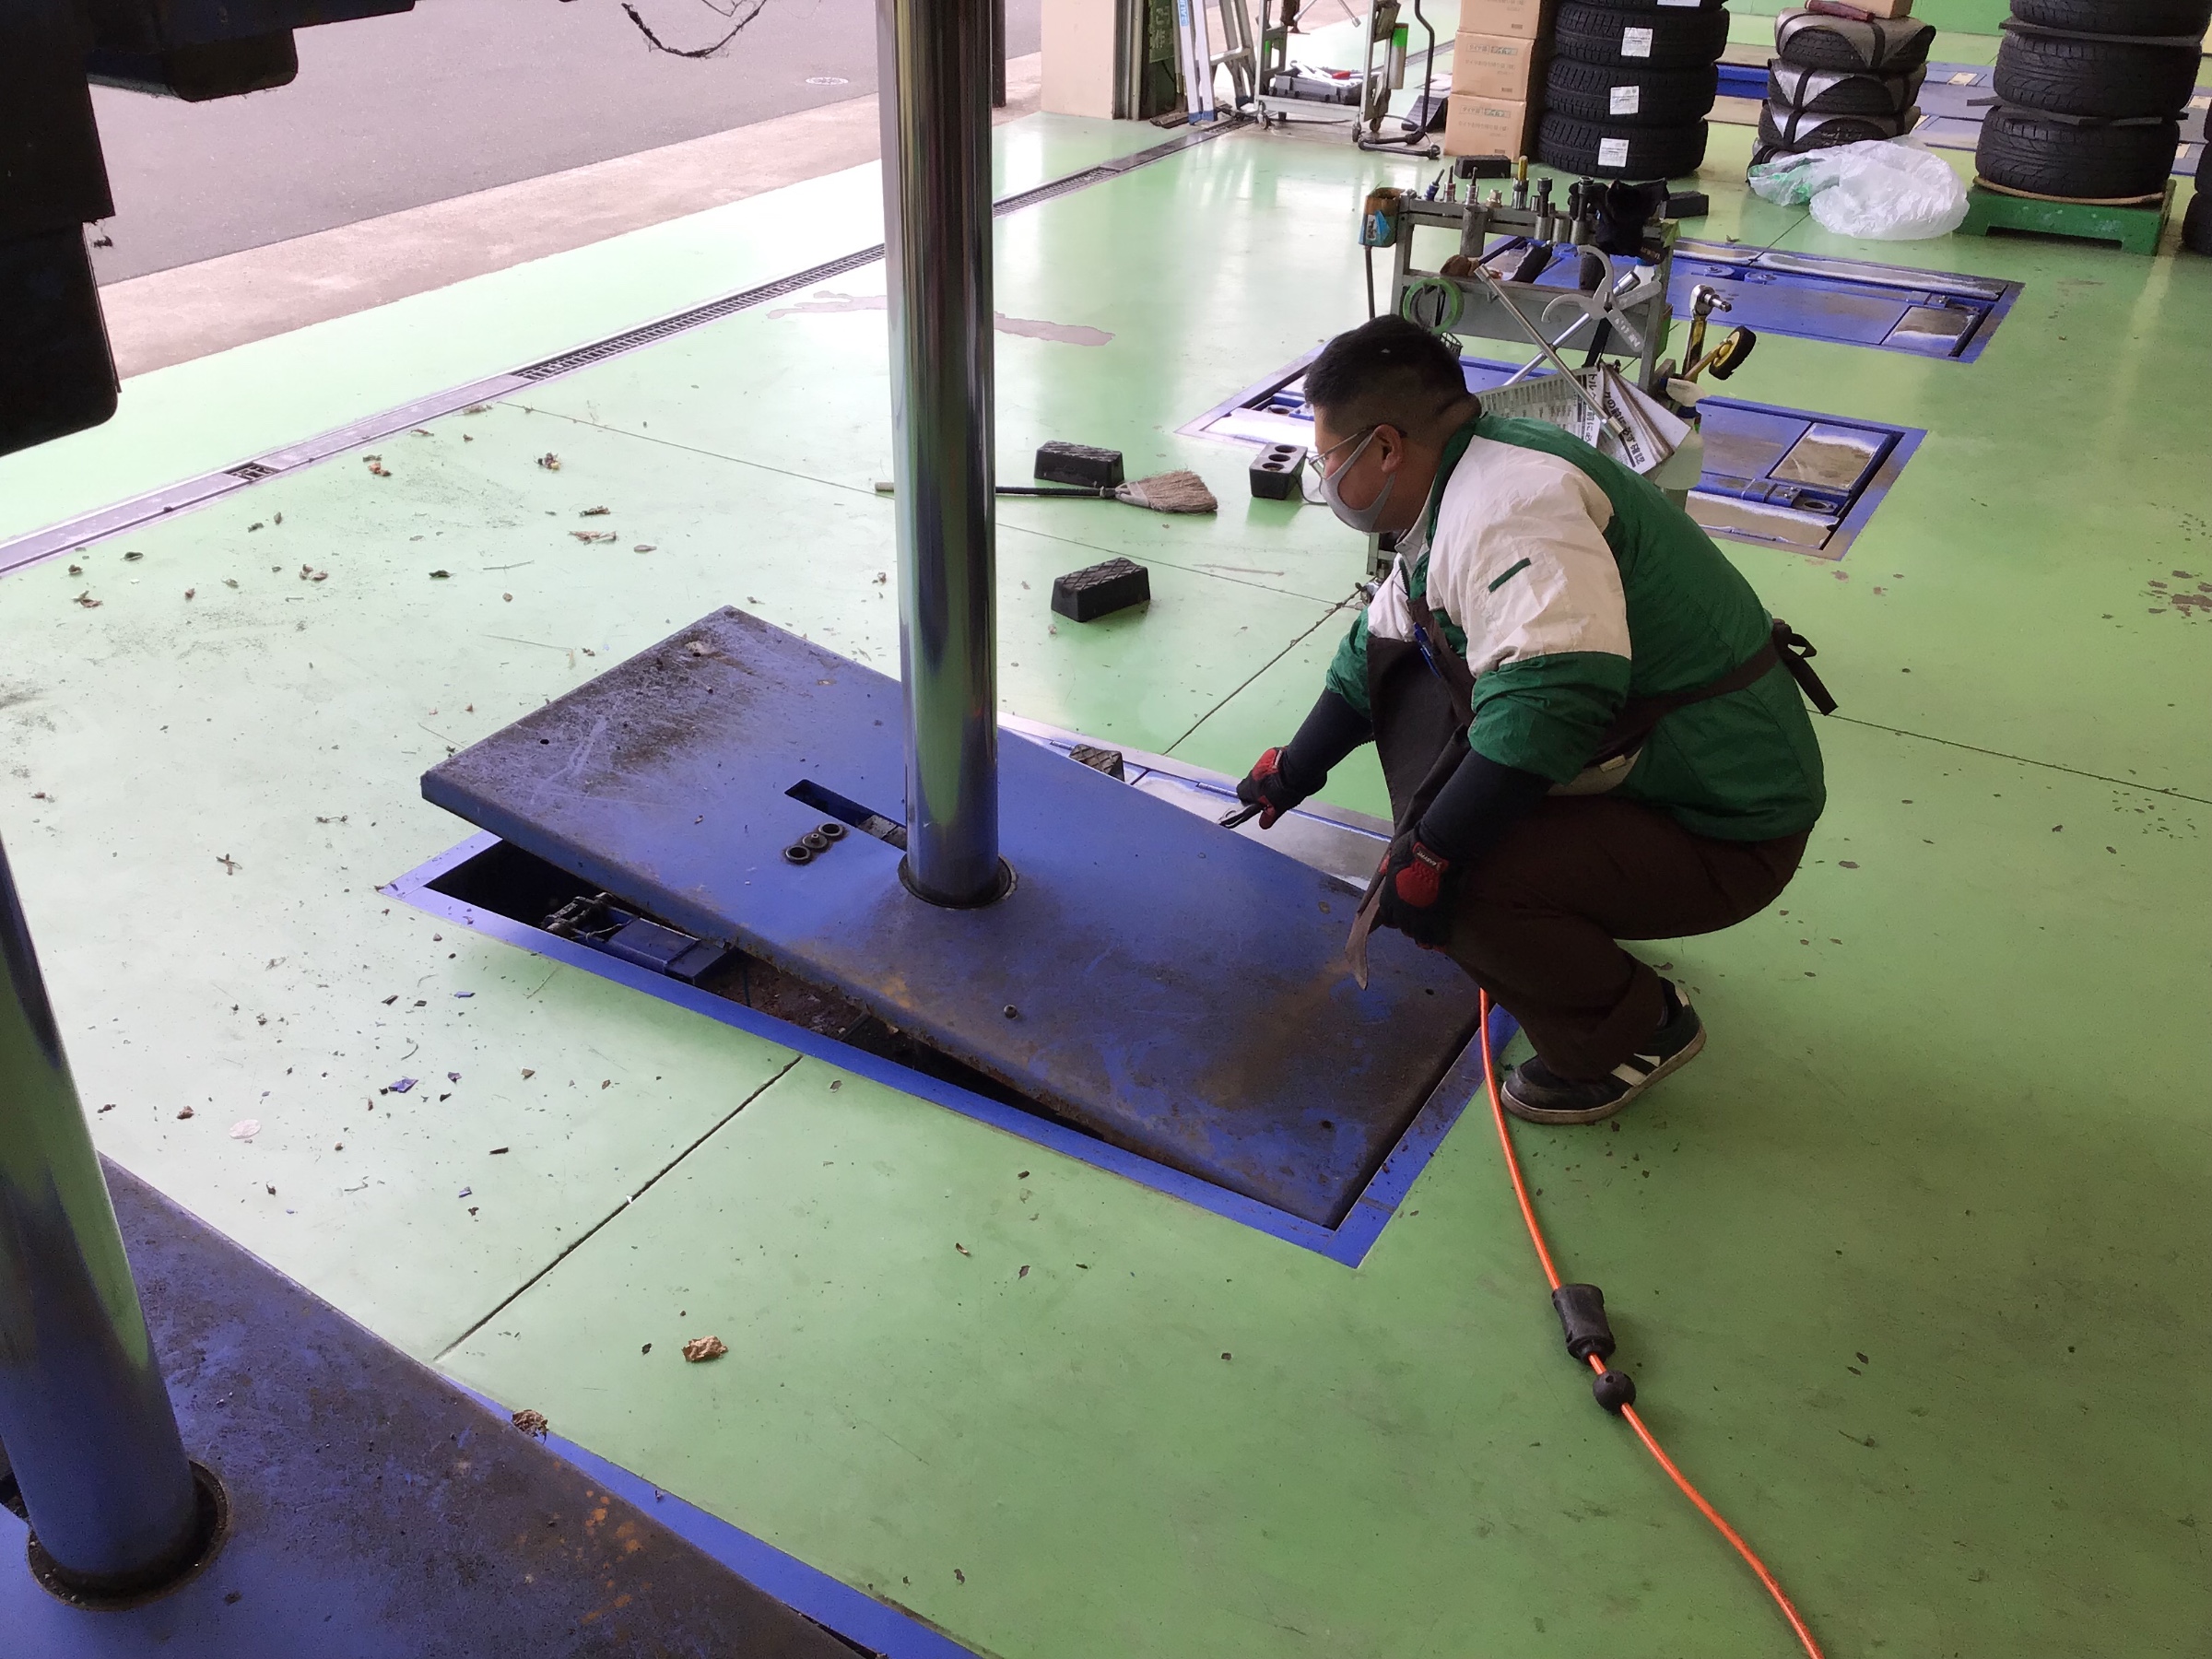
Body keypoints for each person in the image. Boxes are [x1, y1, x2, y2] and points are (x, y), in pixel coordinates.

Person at [1238, 315, 1831, 1125]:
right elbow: (1381, 646)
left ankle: (1631, 1035)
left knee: (1463, 883)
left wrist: (1433, 858)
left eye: (1328, 458)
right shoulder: (1462, 475)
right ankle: (1568, 918)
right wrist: (1294, 768)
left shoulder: (1509, 505)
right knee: (1423, 711)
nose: (1327, 478)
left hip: (1727, 821)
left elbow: (1556, 700)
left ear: (1385, 448)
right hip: (1658, 767)